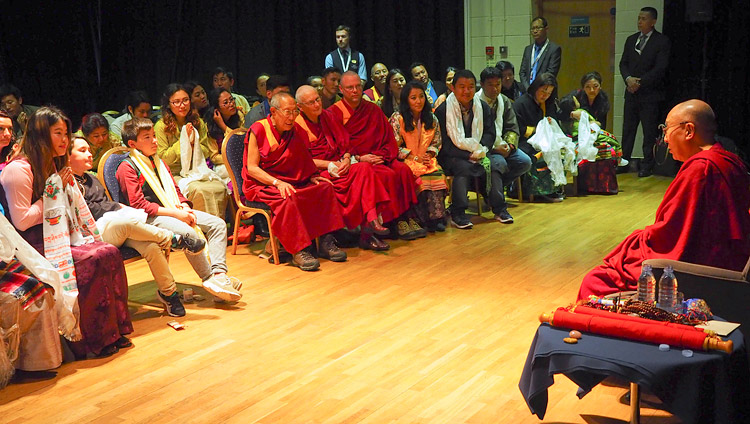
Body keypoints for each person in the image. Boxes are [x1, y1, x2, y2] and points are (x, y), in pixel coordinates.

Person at [577, 100, 750, 300]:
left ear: (688, 131)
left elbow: (672, 237)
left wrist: (635, 241)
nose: (665, 138)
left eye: (667, 129)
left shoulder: (701, 169)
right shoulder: (730, 161)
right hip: (728, 260)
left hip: (700, 268)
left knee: (596, 281)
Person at [0, 106, 132, 358]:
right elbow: (22, 222)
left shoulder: (52, 164)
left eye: (66, 133)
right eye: (57, 133)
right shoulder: (18, 170)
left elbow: (64, 204)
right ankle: (89, 340)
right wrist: (53, 191)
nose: (65, 140)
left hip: (58, 234)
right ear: (40, 135)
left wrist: (60, 190)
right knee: (93, 259)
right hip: (32, 244)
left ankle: (113, 331)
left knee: (109, 252)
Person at [68, 136, 206, 316]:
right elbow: (91, 210)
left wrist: (120, 208)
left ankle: (169, 294)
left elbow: (106, 205)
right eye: (82, 150)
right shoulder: (66, 182)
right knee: (123, 222)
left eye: (88, 149)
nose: (89, 154)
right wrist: (118, 207)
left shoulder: (91, 179)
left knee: (151, 246)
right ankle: (171, 239)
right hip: (92, 235)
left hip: (114, 227)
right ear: (67, 157)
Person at [118, 117, 243, 301]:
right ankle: (208, 279)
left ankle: (219, 275)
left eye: (154, 135)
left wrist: (184, 206)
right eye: (147, 137)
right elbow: (138, 205)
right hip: (148, 218)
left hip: (173, 209)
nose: (154, 140)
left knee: (217, 225)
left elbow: (176, 190)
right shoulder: (127, 167)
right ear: (132, 144)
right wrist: (177, 214)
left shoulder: (158, 161)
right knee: (188, 234)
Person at [243, 93, 347, 271]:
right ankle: (299, 250)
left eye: (295, 112)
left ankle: (325, 241)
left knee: (323, 188)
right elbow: (252, 168)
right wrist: (277, 182)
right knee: (287, 197)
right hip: (263, 184)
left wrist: (310, 175)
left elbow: (302, 158)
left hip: (291, 180)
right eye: (287, 112)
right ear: (274, 111)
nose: (292, 117)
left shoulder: (295, 130)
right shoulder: (258, 129)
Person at [295, 85, 391, 250]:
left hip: (339, 165)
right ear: (300, 107)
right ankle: (344, 237)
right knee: (329, 187)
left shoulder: (327, 116)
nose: (317, 105)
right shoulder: (297, 126)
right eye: (311, 103)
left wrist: (347, 159)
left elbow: (345, 144)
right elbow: (303, 160)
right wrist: (331, 164)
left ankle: (371, 222)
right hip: (319, 172)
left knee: (364, 168)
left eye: (318, 99)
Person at [330, 72, 419, 239]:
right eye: (350, 88)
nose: (355, 91)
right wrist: (361, 158)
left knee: (403, 170)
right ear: (341, 89)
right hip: (357, 162)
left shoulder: (372, 109)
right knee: (388, 175)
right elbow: (336, 147)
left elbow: (388, 139)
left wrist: (381, 156)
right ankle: (390, 222)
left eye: (358, 86)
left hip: (379, 157)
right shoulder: (333, 113)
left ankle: (406, 217)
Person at [155, 83, 228, 218]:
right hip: (175, 173)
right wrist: (183, 141)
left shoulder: (198, 122)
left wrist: (194, 144)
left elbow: (206, 150)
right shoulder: (161, 126)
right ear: (168, 104)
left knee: (219, 186)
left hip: (197, 170)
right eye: (176, 102)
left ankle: (219, 225)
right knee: (198, 190)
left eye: (185, 100)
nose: (182, 105)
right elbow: (162, 157)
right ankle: (200, 228)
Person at [434, 69, 493, 229]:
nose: (467, 91)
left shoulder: (483, 107)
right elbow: (443, 143)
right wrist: (467, 155)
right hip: (450, 156)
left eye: (471, 86)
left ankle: (498, 207)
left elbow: (490, 134)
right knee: (463, 167)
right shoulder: (443, 110)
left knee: (496, 163)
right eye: (462, 86)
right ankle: (458, 212)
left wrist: (481, 150)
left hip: (479, 152)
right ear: (453, 88)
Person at [389, 81, 448, 232]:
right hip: (406, 160)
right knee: (419, 180)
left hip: (426, 159)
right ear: (406, 100)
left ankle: (436, 218)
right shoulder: (398, 118)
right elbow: (393, 145)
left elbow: (437, 141)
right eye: (413, 97)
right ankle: (420, 219)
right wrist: (414, 158)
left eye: (421, 96)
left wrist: (429, 154)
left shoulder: (431, 118)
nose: (418, 101)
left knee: (437, 174)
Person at [475, 67, 532, 222]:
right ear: (482, 84)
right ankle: (500, 208)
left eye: (498, 84)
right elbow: (474, 134)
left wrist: (509, 146)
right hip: (482, 149)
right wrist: (494, 148)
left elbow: (512, 127)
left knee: (525, 161)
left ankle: (490, 191)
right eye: (490, 85)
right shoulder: (474, 103)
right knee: (498, 164)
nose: (495, 89)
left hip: (502, 145)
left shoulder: (504, 101)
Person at [619, 6, 671, 177]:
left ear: (653, 21)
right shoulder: (630, 39)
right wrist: (628, 79)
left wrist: (639, 82)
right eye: (639, 18)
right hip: (631, 93)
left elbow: (660, 68)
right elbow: (623, 64)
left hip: (650, 95)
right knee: (628, 130)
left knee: (648, 132)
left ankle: (646, 165)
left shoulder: (661, 41)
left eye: (643, 18)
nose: (639, 21)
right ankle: (623, 161)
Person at [512, 73, 563, 203]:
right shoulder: (521, 103)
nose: (545, 95)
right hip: (525, 141)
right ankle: (537, 191)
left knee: (559, 148)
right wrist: (538, 129)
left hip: (542, 139)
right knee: (540, 152)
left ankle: (553, 188)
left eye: (549, 93)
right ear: (536, 88)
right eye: (543, 91)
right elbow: (519, 130)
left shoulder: (548, 104)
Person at [558, 94, 621, 195]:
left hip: (578, 139)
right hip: (583, 137)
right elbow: (596, 123)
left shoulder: (566, 118)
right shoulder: (580, 112)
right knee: (611, 139)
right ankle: (619, 155)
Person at [204, 87, 245, 172]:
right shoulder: (210, 125)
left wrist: (224, 127)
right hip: (221, 164)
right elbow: (214, 157)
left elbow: (241, 141)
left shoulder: (239, 115)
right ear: (217, 108)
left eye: (231, 99)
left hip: (241, 158)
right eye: (226, 103)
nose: (231, 104)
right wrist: (222, 125)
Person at [518, 17, 562, 92]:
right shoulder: (528, 49)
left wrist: (536, 89)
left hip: (545, 92)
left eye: (538, 28)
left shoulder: (554, 49)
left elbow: (551, 73)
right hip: (528, 91)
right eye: (533, 29)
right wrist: (528, 88)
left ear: (546, 29)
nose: (535, 31)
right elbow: (522, 72)